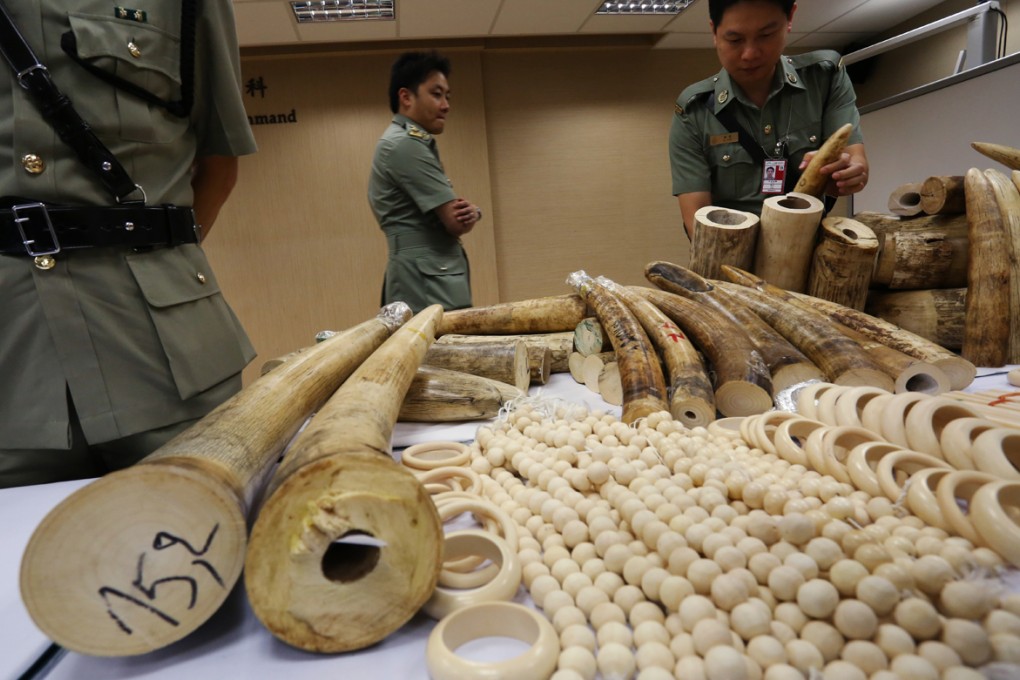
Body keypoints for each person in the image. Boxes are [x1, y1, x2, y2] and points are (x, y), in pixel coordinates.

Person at [0, 0, 257, 487]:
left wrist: (159, 261)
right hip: (12, 366)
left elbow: (219, 166)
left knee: (202, 522)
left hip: (164, 354)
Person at [669, 0, 869, 239]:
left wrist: (846, 175)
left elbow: (855, 161)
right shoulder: (694, 109)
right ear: (714, 31)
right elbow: (697, 222)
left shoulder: (824, 77)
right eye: (735, 40)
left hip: (810, 247)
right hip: (732, 249)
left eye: (766, 35)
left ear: (790, 18)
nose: (750, 54)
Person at [368, 50, 482, 313]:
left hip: (422, 275)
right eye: (436, 94)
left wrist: (472, 212)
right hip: (427, 281)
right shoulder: (405, 144)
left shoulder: (401, 141)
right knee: (438, 341)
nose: (446, 105)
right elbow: (455, 222)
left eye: (447, 96)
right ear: (406, 97)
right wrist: (474, 212)